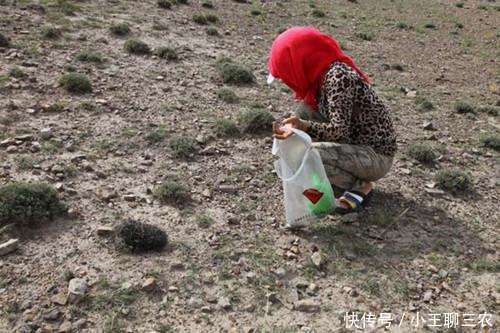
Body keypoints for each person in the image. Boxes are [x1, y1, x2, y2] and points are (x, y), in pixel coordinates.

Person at [268, 27, 397, 214]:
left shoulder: (338, 78)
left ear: (298, 63)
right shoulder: (320, 77)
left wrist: (303, 127)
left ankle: (360, 185)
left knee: (311, 155)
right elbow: (308, 117)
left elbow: (339, 131)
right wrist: (293, 131)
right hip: (354, 142)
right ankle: (328, 176)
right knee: (304, 119)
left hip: (375, 156)